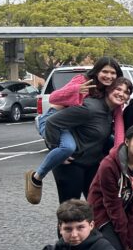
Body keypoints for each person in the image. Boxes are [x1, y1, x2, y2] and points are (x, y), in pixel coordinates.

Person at [25, 58, 125, 205]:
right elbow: (54, 98)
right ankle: (37, 177)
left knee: (94, 207)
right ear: (96, 72)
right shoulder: (83, 82)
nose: (108, 76)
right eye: (105, 71)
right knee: (67, 148)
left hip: (82, 143)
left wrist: (118, 156)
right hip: (54, 119)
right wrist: (76, 90)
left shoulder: (108, 96)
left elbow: (119, 128)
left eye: (113, 73)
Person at [46, 78, 133, 203]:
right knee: (70, 212)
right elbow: (51, 122)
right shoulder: (90, 108)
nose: (121, 93)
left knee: (96, 207)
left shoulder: (112, 111)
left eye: (126, 92)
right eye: (118, 89)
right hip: (72, 165)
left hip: (92, 165)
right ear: (108, 89)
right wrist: (56, 150)